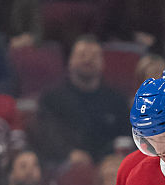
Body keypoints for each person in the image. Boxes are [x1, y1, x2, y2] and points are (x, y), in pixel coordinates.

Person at [33, 35, 131, 168]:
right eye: (82, 55)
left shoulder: (116, 101)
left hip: (109, 167)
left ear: (103, 63)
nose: (88, 59)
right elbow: (45, 136)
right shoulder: (52, 99)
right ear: (70, 61)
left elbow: (125, 138)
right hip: (63, 165)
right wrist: (67, 154)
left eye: (94, 56)